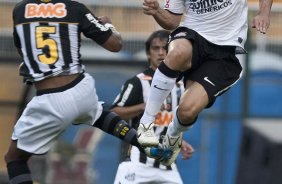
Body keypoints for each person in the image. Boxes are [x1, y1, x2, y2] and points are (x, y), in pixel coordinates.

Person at [4, 1, 164, 183]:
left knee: (14, 158)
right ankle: (144, 143)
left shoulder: (20, 9)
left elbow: (23, 49)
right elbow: (115, 44)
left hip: (50, 99)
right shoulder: (73, 7)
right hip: (80, 86)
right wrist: (108, 25)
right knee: (97, 114)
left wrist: (34, 64)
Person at [137, 0, 273, 166]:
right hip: (193, 35)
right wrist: (157, 10)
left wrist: (264, 13)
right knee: (178, 52)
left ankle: (173, 136)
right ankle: (146, 122)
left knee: (187, 111)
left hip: (224, 51)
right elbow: (172, 22)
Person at [111, 30, 194, 184]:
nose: (161, 53)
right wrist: (143, 106)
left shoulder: (181, 86)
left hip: (168, 164)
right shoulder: (137, 82)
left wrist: (180, 143)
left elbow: (167, 124)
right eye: (156, 48)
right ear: (148, 53)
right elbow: (114, 113)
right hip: (138, 162)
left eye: (165, 48)